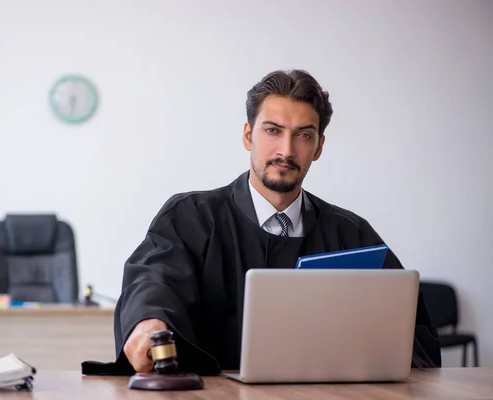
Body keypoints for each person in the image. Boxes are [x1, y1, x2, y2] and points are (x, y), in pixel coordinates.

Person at [81, 69, 441, 376]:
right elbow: (154, 282)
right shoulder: (190, 216)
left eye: (303, 135)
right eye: (272, 131)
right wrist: (149, 325)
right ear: (247, 135)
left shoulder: (351, 233)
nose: (286, 150)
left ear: (318, 146)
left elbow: (409, 329)